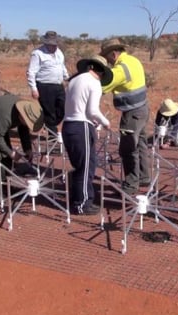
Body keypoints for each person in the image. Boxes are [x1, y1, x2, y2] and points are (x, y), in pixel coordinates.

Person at [63, 55, 113, 215]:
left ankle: (78, 199)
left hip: (69, 125)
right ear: (101, 72)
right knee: (86, 167)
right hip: (81, 126)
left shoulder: (74, 81)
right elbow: (92, 110)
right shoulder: (94, 83)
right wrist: (105, 122)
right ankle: (82, 203)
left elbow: (78, 106)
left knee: (83, 165)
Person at [100, 38, 150, 195]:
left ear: (114, 54)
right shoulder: (133, 60)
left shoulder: (120, 69)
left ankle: (131, 184)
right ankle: (143, 177)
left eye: (107, 57)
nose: (107, 61)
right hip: (143, 108)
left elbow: (103, 87)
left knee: (128, 148)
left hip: (132, 113)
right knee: (140, 143)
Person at [0, 94, 44, 204]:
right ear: (23, 116)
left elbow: (23, 130)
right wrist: (11, 153)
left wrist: (27, 149)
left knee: (6, 156)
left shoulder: (23, 112)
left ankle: (5, 186)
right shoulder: (6, 117)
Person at [26, 31, 70, 138]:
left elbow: (62, 66)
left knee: (63, 108)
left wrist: (68, 78)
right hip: (45, 86)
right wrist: (34, 88)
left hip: (58, 85)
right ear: (46, 43)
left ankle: (49, 124)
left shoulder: (59, 52)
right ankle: (53, 136)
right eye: (52, 44)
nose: (54, 46)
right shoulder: (37, 53)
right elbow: (31, 72)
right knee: (49, 112)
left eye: (56, 44)